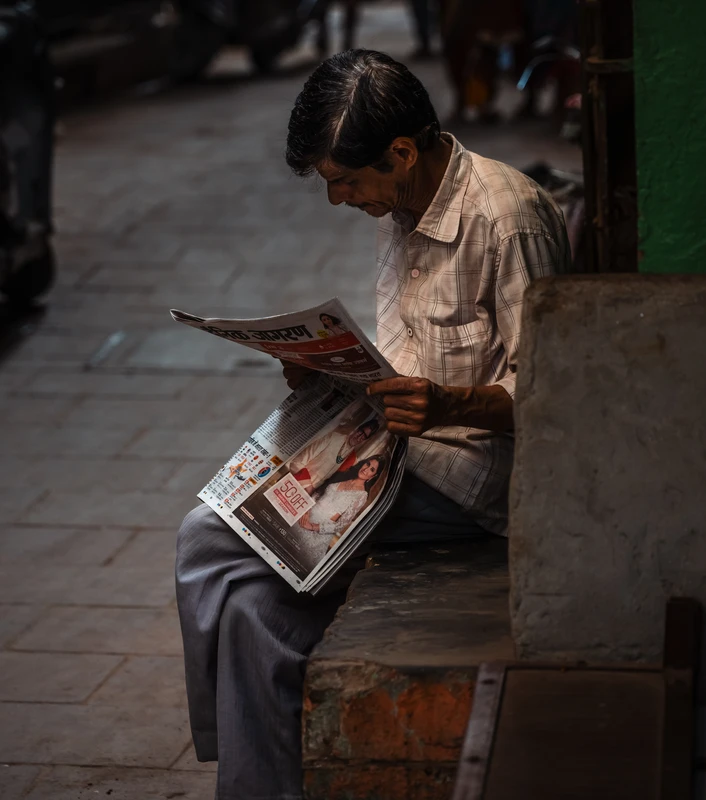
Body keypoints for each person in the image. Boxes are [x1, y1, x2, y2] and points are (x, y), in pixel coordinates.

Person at [176, 49, 569, 800]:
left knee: (205, 536)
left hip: (467, 480)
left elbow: (555, 393)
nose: (340, 201)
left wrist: (449, 405)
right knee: (255, 613)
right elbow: (400, 353)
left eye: (345, 183)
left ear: (401, 151)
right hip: (393, 451)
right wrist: (328, 373)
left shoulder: (508, 219)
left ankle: (217, 745)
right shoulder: (402, 202)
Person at [295, 455, 387, 560]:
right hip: (305, 516)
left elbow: (340, 525)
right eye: (368, 464)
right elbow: (318, 494)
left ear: (373, 476)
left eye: (372, 469)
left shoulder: (362, 496)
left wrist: (312, 527)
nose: (366, 469)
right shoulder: (344, 475)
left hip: (317, 531)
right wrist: (306, 511)